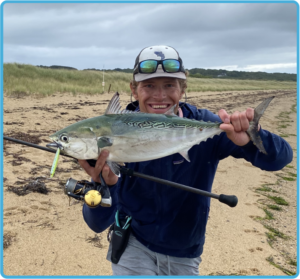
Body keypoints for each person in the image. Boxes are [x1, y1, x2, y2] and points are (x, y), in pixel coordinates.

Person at [78, 45, 293, 276]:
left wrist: (253, 136)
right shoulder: (113, 134)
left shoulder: (204, 123)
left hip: (185, 251)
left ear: (182, 89)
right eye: (149, 85)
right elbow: (97, 224)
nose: (159, 96)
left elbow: (279, 160)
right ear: (134, 89)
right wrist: (105, 186)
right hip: (132, 243)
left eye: (169, 85)